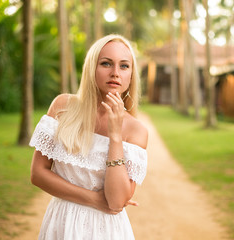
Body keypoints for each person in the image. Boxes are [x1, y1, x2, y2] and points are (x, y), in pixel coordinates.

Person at [29, 34, 148, 239]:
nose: (115, 73)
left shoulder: (136, 131)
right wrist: (93, 199)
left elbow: (116, 201)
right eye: (106, 63)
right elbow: (38, 174)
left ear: (131, 76)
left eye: (124, 66)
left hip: (108, 230)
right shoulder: (63, 107)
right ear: (91, 68)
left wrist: (115, 136)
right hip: (62, 222)